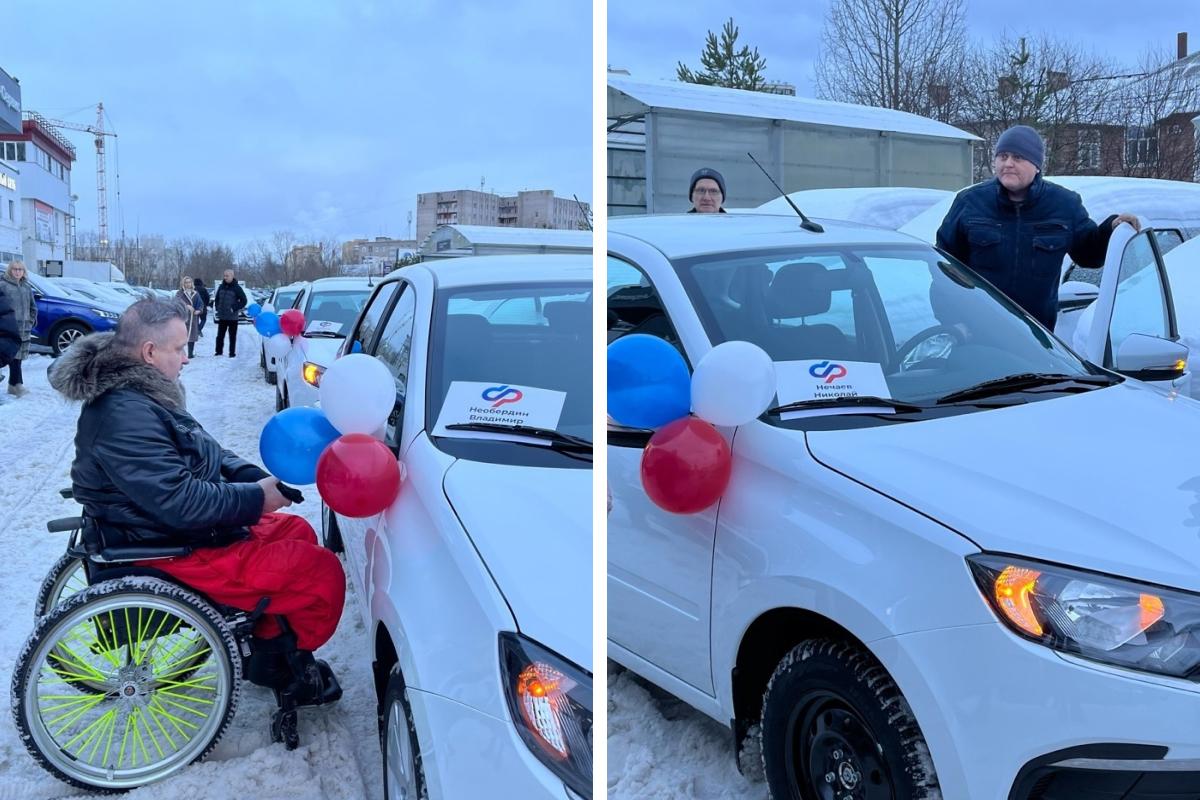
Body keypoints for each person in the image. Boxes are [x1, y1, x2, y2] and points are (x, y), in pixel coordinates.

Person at [48, 297, 344, 706]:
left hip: (171, 527)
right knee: (320, 571)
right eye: (179, 349)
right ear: (149, 353)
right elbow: (180, 501)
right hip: (167, 546)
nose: (186, 359)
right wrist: (257, 500)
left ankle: (272, 651)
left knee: (297, 530)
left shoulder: (141, 392)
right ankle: (284, 660)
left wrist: (253, 478)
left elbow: (203, 449)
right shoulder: (124, 413)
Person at [936, 125, 1139, 331]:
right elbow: (943, 267)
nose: (1008, 164)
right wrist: (952, 322)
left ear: (1036, 165)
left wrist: (1112, 228)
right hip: (976, 330)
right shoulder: (970, 203)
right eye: (1002, 156)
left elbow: (1090, 254)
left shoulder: (1064, 204)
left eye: (1017, 157)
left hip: (1036, 338)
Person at [0, 260, 37, 396]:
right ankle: (17, 384)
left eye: (20, 269)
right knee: (11, 356)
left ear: (24, 271)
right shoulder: (3, 286)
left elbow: (33, 307)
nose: (17, 272)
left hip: (24, 329)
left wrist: (30, 321)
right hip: (8, 329)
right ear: (10, 270)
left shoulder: (26, 287)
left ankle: (13, 385)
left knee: (18, 358)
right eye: (15, 269)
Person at [214, 268, 247, 357]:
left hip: (232, 317)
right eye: (224, 275)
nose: (225, 277)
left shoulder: (237, 288)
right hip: (222, 316)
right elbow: (217, 299)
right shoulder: (221, 286)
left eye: (227, 276)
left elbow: (244, 301)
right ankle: (218, 352)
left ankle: (232, 353)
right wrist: (217, 307)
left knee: (232, 336)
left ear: (232, 276)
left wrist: (234, 308)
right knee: (220, 336)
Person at [174, 275, 203, 358]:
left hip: (193, 318)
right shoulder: (180, 293)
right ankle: (179, 353)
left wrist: (199, 310)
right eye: (186, 282)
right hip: (183, 317)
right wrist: (186, 306)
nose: (188, 284)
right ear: (183, 283)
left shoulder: (195, 293)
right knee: (181, 336)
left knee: (192, 336)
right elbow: (176, 302)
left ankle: (190, 353)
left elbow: (201, 304)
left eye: (189, 282)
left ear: (191, 283)